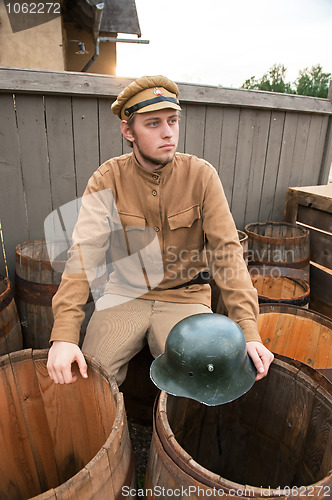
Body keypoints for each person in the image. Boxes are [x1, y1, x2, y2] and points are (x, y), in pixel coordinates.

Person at [47, 75, 274, 386]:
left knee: (203, 381)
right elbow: (83, 255)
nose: (168, 133)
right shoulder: (107, 178)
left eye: (172, 120)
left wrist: (247, 329)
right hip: (124, 294)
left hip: (186, 295)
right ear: (128, 131)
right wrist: (64, 333)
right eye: (153, 124)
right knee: (90, 379)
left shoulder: (201, 176)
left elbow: (227, 252)